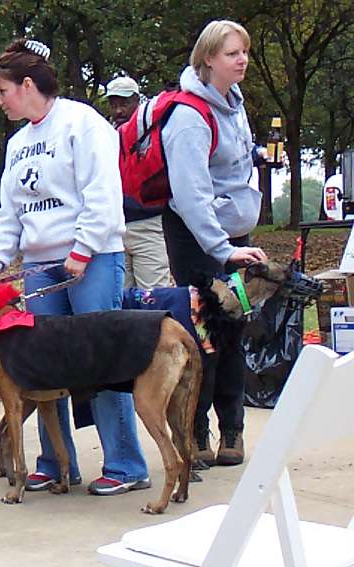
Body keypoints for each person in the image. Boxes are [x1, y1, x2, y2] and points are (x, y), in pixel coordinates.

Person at [0, 39, 151, 496]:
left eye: (3, 91)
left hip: (90, 261)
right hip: (42, 265)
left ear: (27, 85)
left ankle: (126, 465)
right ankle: (56, 462)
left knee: (104, 362)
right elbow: (10, 214)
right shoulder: (18, 143)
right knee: (40, 369)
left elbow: (102, 193)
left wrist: (84, 250)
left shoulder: (81, 123)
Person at [160, 21, 267, 466]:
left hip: (233, 240)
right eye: (231, 54)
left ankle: (233, 432)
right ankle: (195, 434)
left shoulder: (234, 105)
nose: (241, 60)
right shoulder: (189, 117)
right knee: (202, 337)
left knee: (234, 335)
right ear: (207, 59)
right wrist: (223, 250)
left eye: (244, 51)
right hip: (199, 242)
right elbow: (190, 196)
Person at [106, 76, 171, 289]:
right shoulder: (104, 135)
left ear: (137, 100)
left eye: (124, 103)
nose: (118, 110)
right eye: (113, 104)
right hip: (114, 229)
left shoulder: (158, 132)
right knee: (119, 303)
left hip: (149, 225)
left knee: (153, 298)